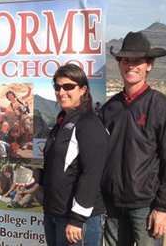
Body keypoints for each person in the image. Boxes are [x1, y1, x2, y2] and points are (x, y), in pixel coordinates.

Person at [100, 31, 166, 246]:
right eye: (126, 60)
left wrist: (163, 207)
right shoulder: (110, 108)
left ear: (149, 66)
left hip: (146, 206)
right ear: (119, 65)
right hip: (112, 206)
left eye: (137, 61)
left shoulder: (164, 108)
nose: (131, 66)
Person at [42, 64, 108, 245]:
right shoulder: (60, 124)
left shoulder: (88, 123)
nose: (61, 91)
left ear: (83, 89)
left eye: (68, 86)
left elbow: (92, 172)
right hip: (55, 214)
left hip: (78, 220)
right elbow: (56, 166)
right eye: (57, 87)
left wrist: (77, 219)